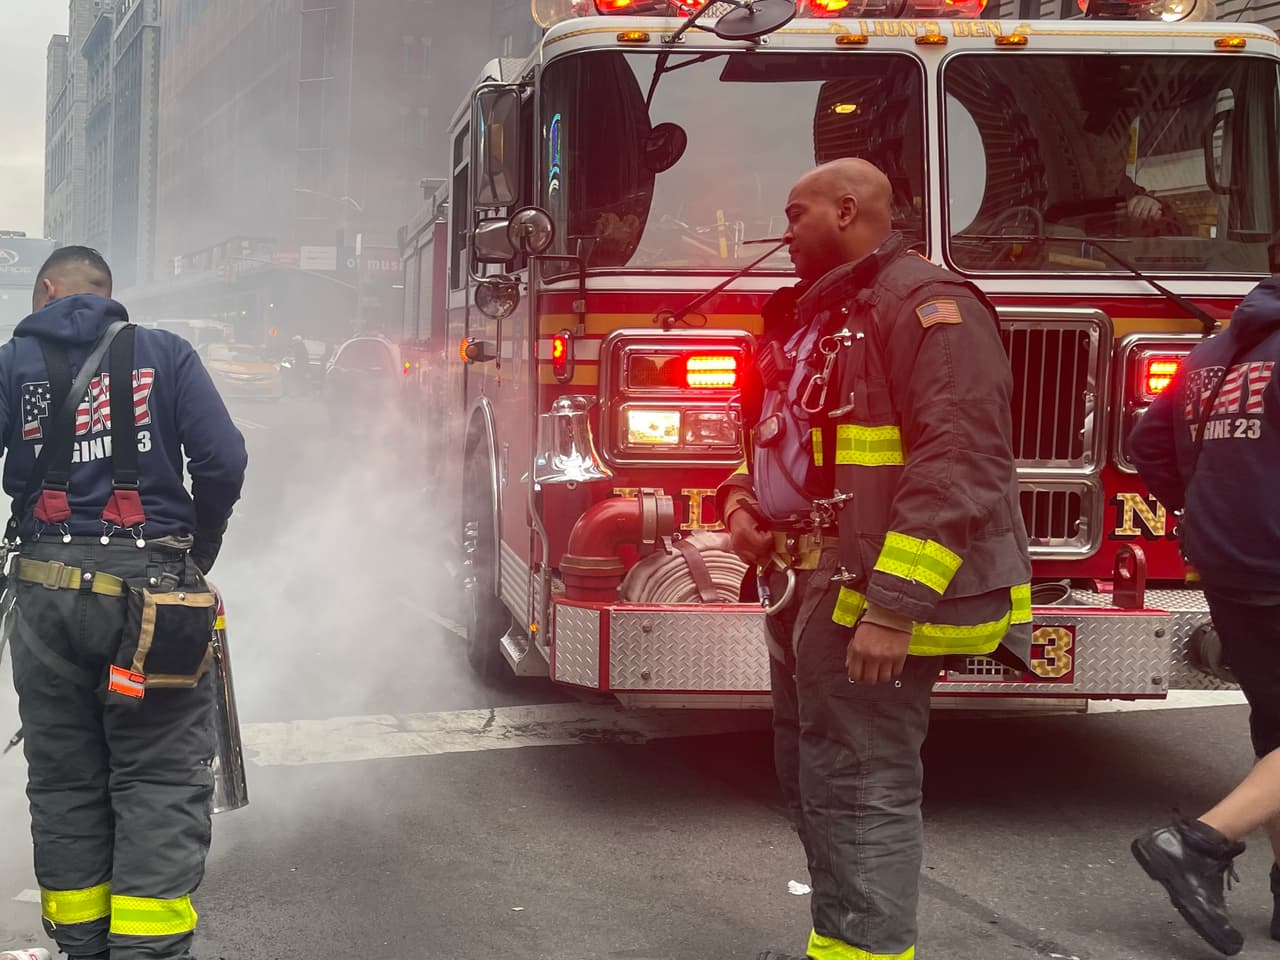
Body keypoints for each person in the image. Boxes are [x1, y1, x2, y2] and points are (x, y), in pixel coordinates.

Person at [717, 158, 1033, 960]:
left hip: (865, 592)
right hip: (803, 585)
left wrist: (893, 607)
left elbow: (959, 465)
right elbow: (768, 432)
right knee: (814, 783)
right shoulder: (816, 316)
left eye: (795, 215)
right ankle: (840, 939)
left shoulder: (930, 309)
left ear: (848, 211)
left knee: (859, 791)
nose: (781, 232)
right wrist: (741, 505)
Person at [2, 246, 247, 960]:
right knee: (159, 774)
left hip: (44, 594)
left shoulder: (12, 361)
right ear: (109, 295)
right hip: (154, 599)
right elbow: (223, 460)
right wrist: (197, 550)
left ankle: (82, 946)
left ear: (46, 291)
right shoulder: (166, 354)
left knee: (64, 776)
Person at [1129, 268, 1280, 957]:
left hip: (1226, 562)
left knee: (1276, 729)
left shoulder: (1215, 351)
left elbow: (1148, 444)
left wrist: (1205, 511)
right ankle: (1198, 843)